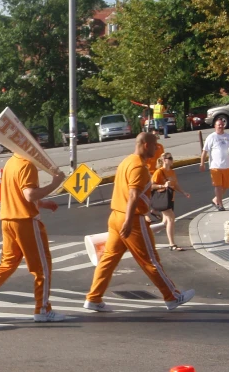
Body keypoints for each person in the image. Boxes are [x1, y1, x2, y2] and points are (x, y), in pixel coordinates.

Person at [83, 132, 194, 312]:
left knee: (108, 260)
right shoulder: (139, 168)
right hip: (131, 219)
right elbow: (133, 195)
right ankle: (172, 297)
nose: (158, 149)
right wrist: (129, 221)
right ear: (145, 145)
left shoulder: (126, 162)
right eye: (155, 146)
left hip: (115, 217)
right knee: (150, 260)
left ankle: (94, 298)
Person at [0, 154, 67, 324]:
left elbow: (17, 194)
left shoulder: (11, 162)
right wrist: (56, 182)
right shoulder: (27, 164)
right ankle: (42, 310)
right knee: (42, 268)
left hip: (8, 220)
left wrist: (43, 203)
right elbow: (29, 194)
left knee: (7, 265)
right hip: (25, 222)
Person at [151, 153, 190, 251]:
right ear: (164, 160)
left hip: (170, 199)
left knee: (165, 223)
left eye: (172, 158)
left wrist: (183, 192)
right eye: (170, 158)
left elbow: (175, 184)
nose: (172, 160)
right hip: (162, 199)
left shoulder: (172, 172)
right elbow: (151, 186)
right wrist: (163, 186)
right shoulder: (159, 172)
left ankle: (145, 233)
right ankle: (172, 244)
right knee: (171, 218)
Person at [200, 118, 229, 211]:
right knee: (218, 185)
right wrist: (202, 163)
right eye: (219, 125)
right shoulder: (211, 137)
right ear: (215, 126)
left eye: (222, 125)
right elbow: (204, 151)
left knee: (226, 186)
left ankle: (216, 199)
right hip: (215, 166)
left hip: (227, 165)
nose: (221, 126)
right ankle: (220, 204)